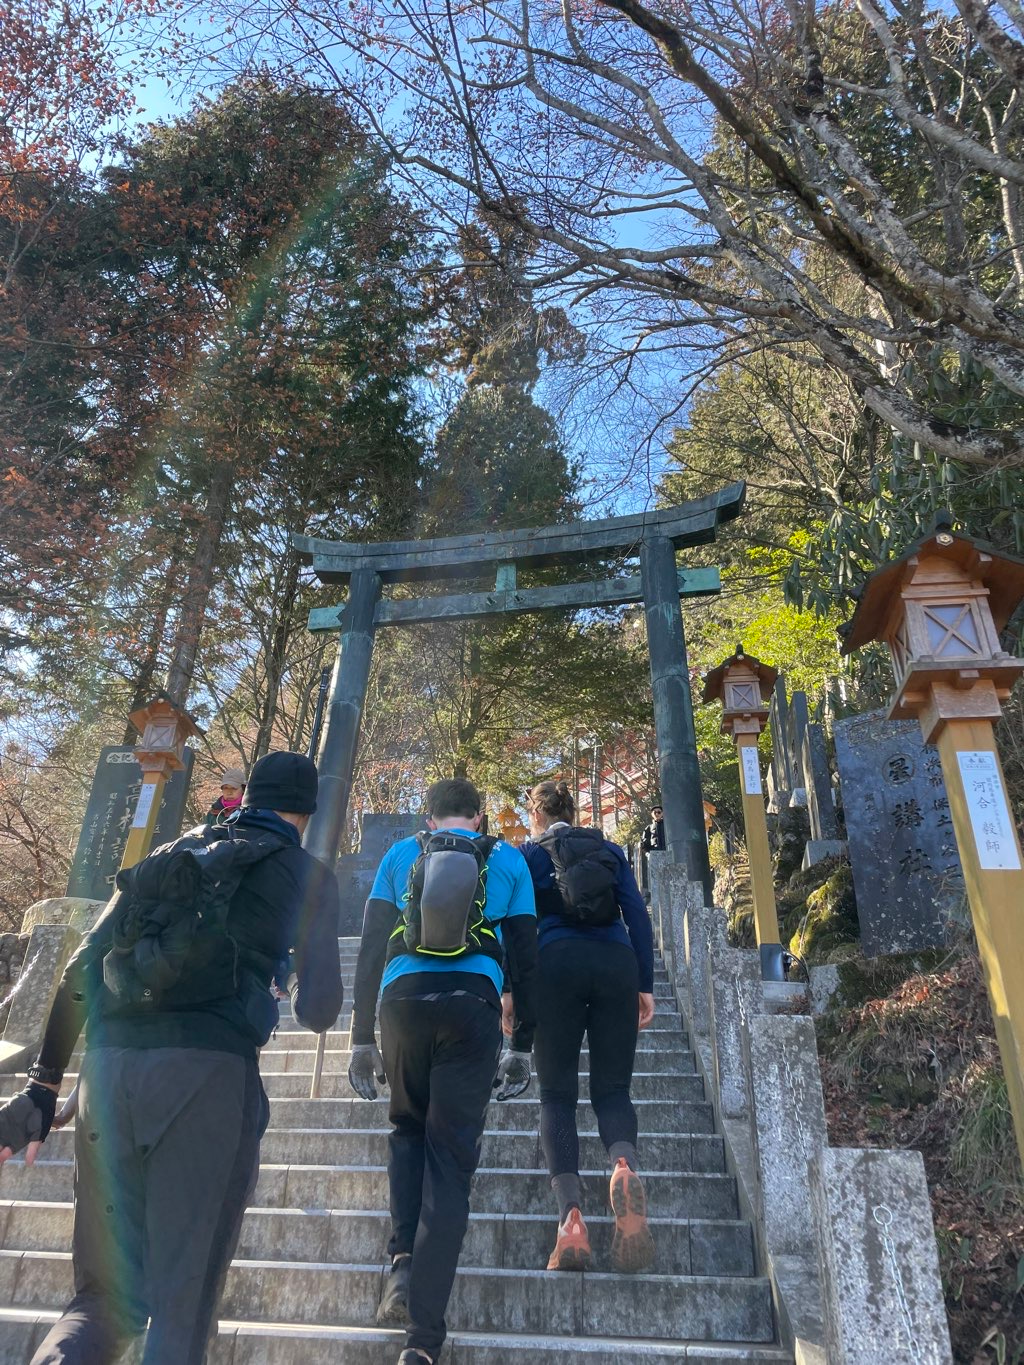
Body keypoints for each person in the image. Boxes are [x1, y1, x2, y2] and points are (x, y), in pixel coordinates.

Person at [0, 751, 343, 1365]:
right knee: (182, 1309)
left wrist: (42, 1086)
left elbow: (83, 964)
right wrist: (280, 973)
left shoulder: (169, 856)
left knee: (103, 1299)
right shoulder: (305, 873)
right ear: (307, 813)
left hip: (107, 1074)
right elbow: (319, 1011)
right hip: (207, 1080)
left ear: (248, 797)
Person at [348, 777, 537, 1365]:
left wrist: (360, 1037)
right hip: (472, 1003)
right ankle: (424, 1342)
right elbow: (527, 954)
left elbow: (373, 941)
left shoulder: (402, 854)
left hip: (400, 1000)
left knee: (406, 1129)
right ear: (479, 816)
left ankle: (402, 1264)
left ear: (427, 818)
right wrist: (522, 1044)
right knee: (450, 1159)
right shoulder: (506, 858)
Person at [521, 779, 656, 1274]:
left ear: (535, 814)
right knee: (614, 1090)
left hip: (552, 962)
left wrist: (512, 991)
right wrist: (644, 981)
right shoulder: (609, 850)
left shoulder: (528, 855)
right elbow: (637, 915)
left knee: (556, 1096)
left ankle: (571, 1222)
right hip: (615, 961)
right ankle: (622, 1166)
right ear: (572, 813)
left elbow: (514, 923)